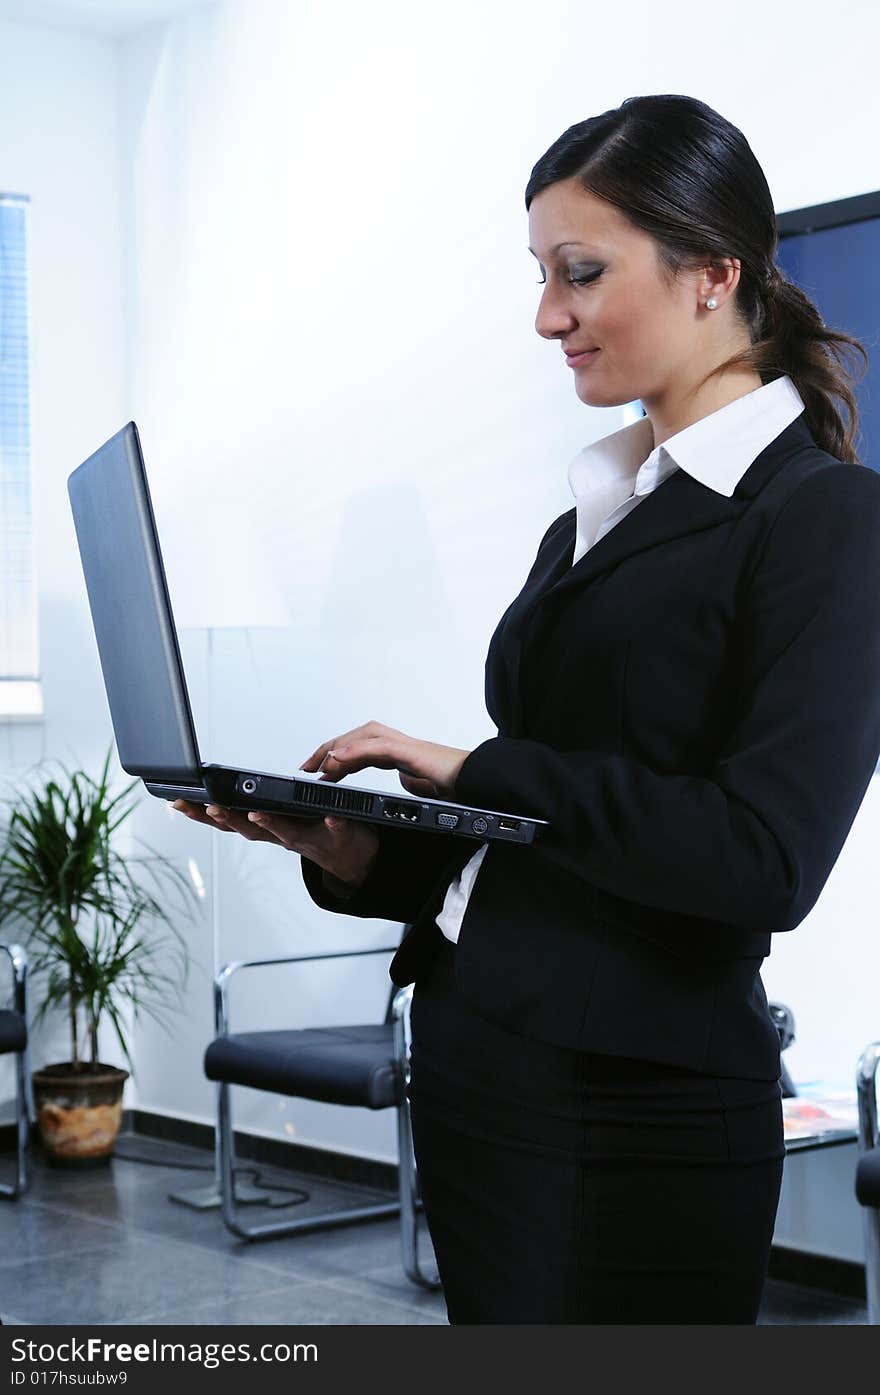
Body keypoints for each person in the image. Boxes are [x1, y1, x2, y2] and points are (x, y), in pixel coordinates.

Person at [173, 93, 880, 1324]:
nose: (548, 315)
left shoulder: (824, 520)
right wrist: (363, 852)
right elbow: (562, 841)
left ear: (713, 273)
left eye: (580, 273)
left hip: (632, 1103)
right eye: (542, 276)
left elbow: (760, 858)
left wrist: (472, 765)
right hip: (486, 1063)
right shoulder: (595, 511)